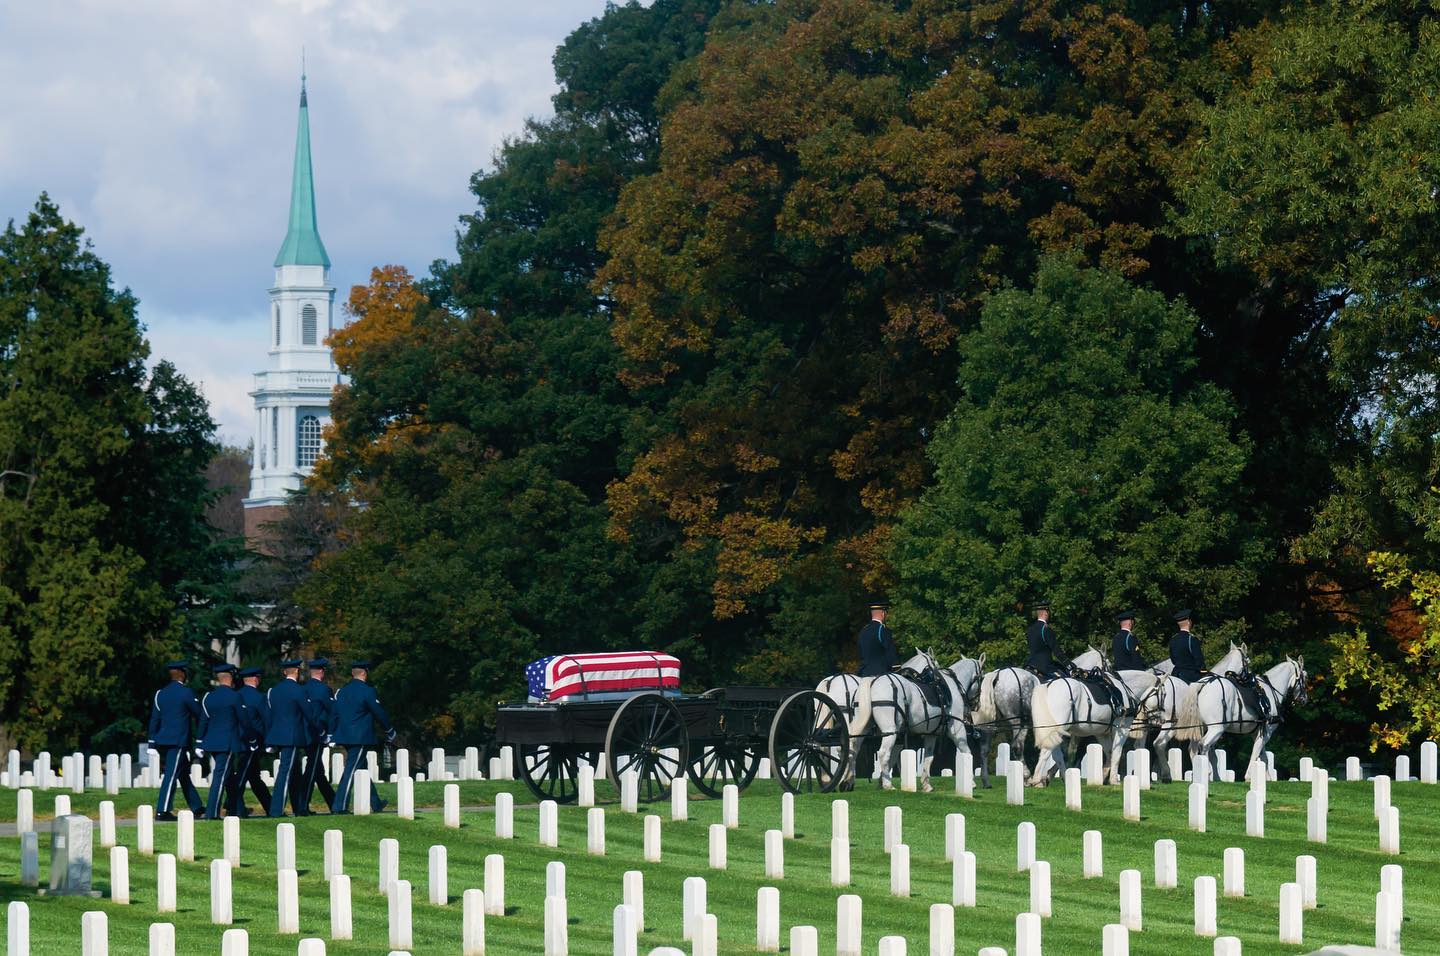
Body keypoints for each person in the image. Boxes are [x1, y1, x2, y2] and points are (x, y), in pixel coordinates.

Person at [331, 660, 396, 814]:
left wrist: (332, 732)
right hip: (359, 737)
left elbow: (334, 713)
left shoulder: (342, 691)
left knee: (362, 768)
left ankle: (376, 803)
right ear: (365, 673)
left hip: (345, 735)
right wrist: (389, 729)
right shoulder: (367, 691)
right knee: (351, 770)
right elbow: (378, 711)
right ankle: (339, 806)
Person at [147, 661, 205, 821]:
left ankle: (197, 806)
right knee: (171, 775)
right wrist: (200, 738)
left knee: (182, 774)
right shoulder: (186, 693)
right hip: (178, 740)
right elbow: (198, 714)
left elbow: (154, 719)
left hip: (163, 740)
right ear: (182, 674)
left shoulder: (161, 693)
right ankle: (162, 810)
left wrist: (151, 741)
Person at [196, 663, 248, 820]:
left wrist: (199, 742)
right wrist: (251, 739)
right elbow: (243, 720)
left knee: (229, 777)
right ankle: (212, 812)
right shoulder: (235, 696)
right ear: (230, 677)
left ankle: (237, 809)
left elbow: (203, 721)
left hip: (211, 742)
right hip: (227, 743)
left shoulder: (208, 697)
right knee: (220, 776)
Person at [266, 659, 313, 817]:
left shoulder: (274, 690)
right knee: (285, 772)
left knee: (294, 773)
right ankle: (276, 809)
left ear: (284, 672)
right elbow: (308, 713)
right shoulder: (298, 691)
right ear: (297, 672)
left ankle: (299, 807)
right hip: (292, 736)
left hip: (278, 734)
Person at [293, 658, 337, 815]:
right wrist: (329, 733)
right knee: (312, 770)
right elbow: (332, 712)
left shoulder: (302, 689)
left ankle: (334, 803)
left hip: (303, 734)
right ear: (322, 672)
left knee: (318, 772)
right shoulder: (324, 690)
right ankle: (302, 806)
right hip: (317, 734)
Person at [230, 666, 271, 816]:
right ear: (255, 679)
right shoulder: (259, 697)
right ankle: (232, 805)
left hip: (237, 740)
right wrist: (267, 741)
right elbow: (265, 720)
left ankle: (270, 806)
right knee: (242, 777)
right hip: (252, 741)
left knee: (254, 777)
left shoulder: (236, 695)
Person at [857, 598, 898, 677]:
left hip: (863, 674)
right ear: (883, 613)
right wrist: (896, 668)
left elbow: (861, 655)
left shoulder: (863, 631)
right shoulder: (883, 630)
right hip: (881, 674)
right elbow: (890, 654)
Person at [1025, 601, 1066, 679]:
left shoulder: (1029, 629)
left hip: (1030, 665)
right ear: (1046, 613)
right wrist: (1069, 664)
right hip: (1045, 668)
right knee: (1066, 680)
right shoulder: (1046, 629)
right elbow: (1056, 650)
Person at [1168, 609, 1206, 683]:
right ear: (1189, 621)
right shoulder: (1192, 639)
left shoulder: (1173, 639)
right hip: (1191, 676)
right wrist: (1204, 673)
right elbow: (1199, 661)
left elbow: (1173, 659)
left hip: (1175, 675)